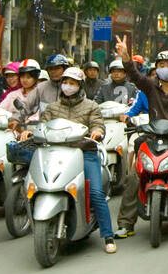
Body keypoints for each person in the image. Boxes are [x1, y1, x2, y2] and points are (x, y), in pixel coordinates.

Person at [21, 66, 118, 254]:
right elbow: (43, 126)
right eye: (65, 82)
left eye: (72, 83)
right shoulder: (53, 107)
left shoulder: (91, 106)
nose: (68, 86)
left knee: (96, 193)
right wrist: (29, 131)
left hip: (84, 153)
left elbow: (98, 124)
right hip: (55, 153)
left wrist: (97, 132)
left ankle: (108, 236)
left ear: (79, 86)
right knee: (34, 186)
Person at [112, 38, 168, 238]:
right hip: (153, 137)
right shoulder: (150, 86)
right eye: (161, 65)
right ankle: (126, 224)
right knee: (134, 177)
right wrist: (125, 56)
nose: (165, 68)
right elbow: (134, 75)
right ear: (156, 68)